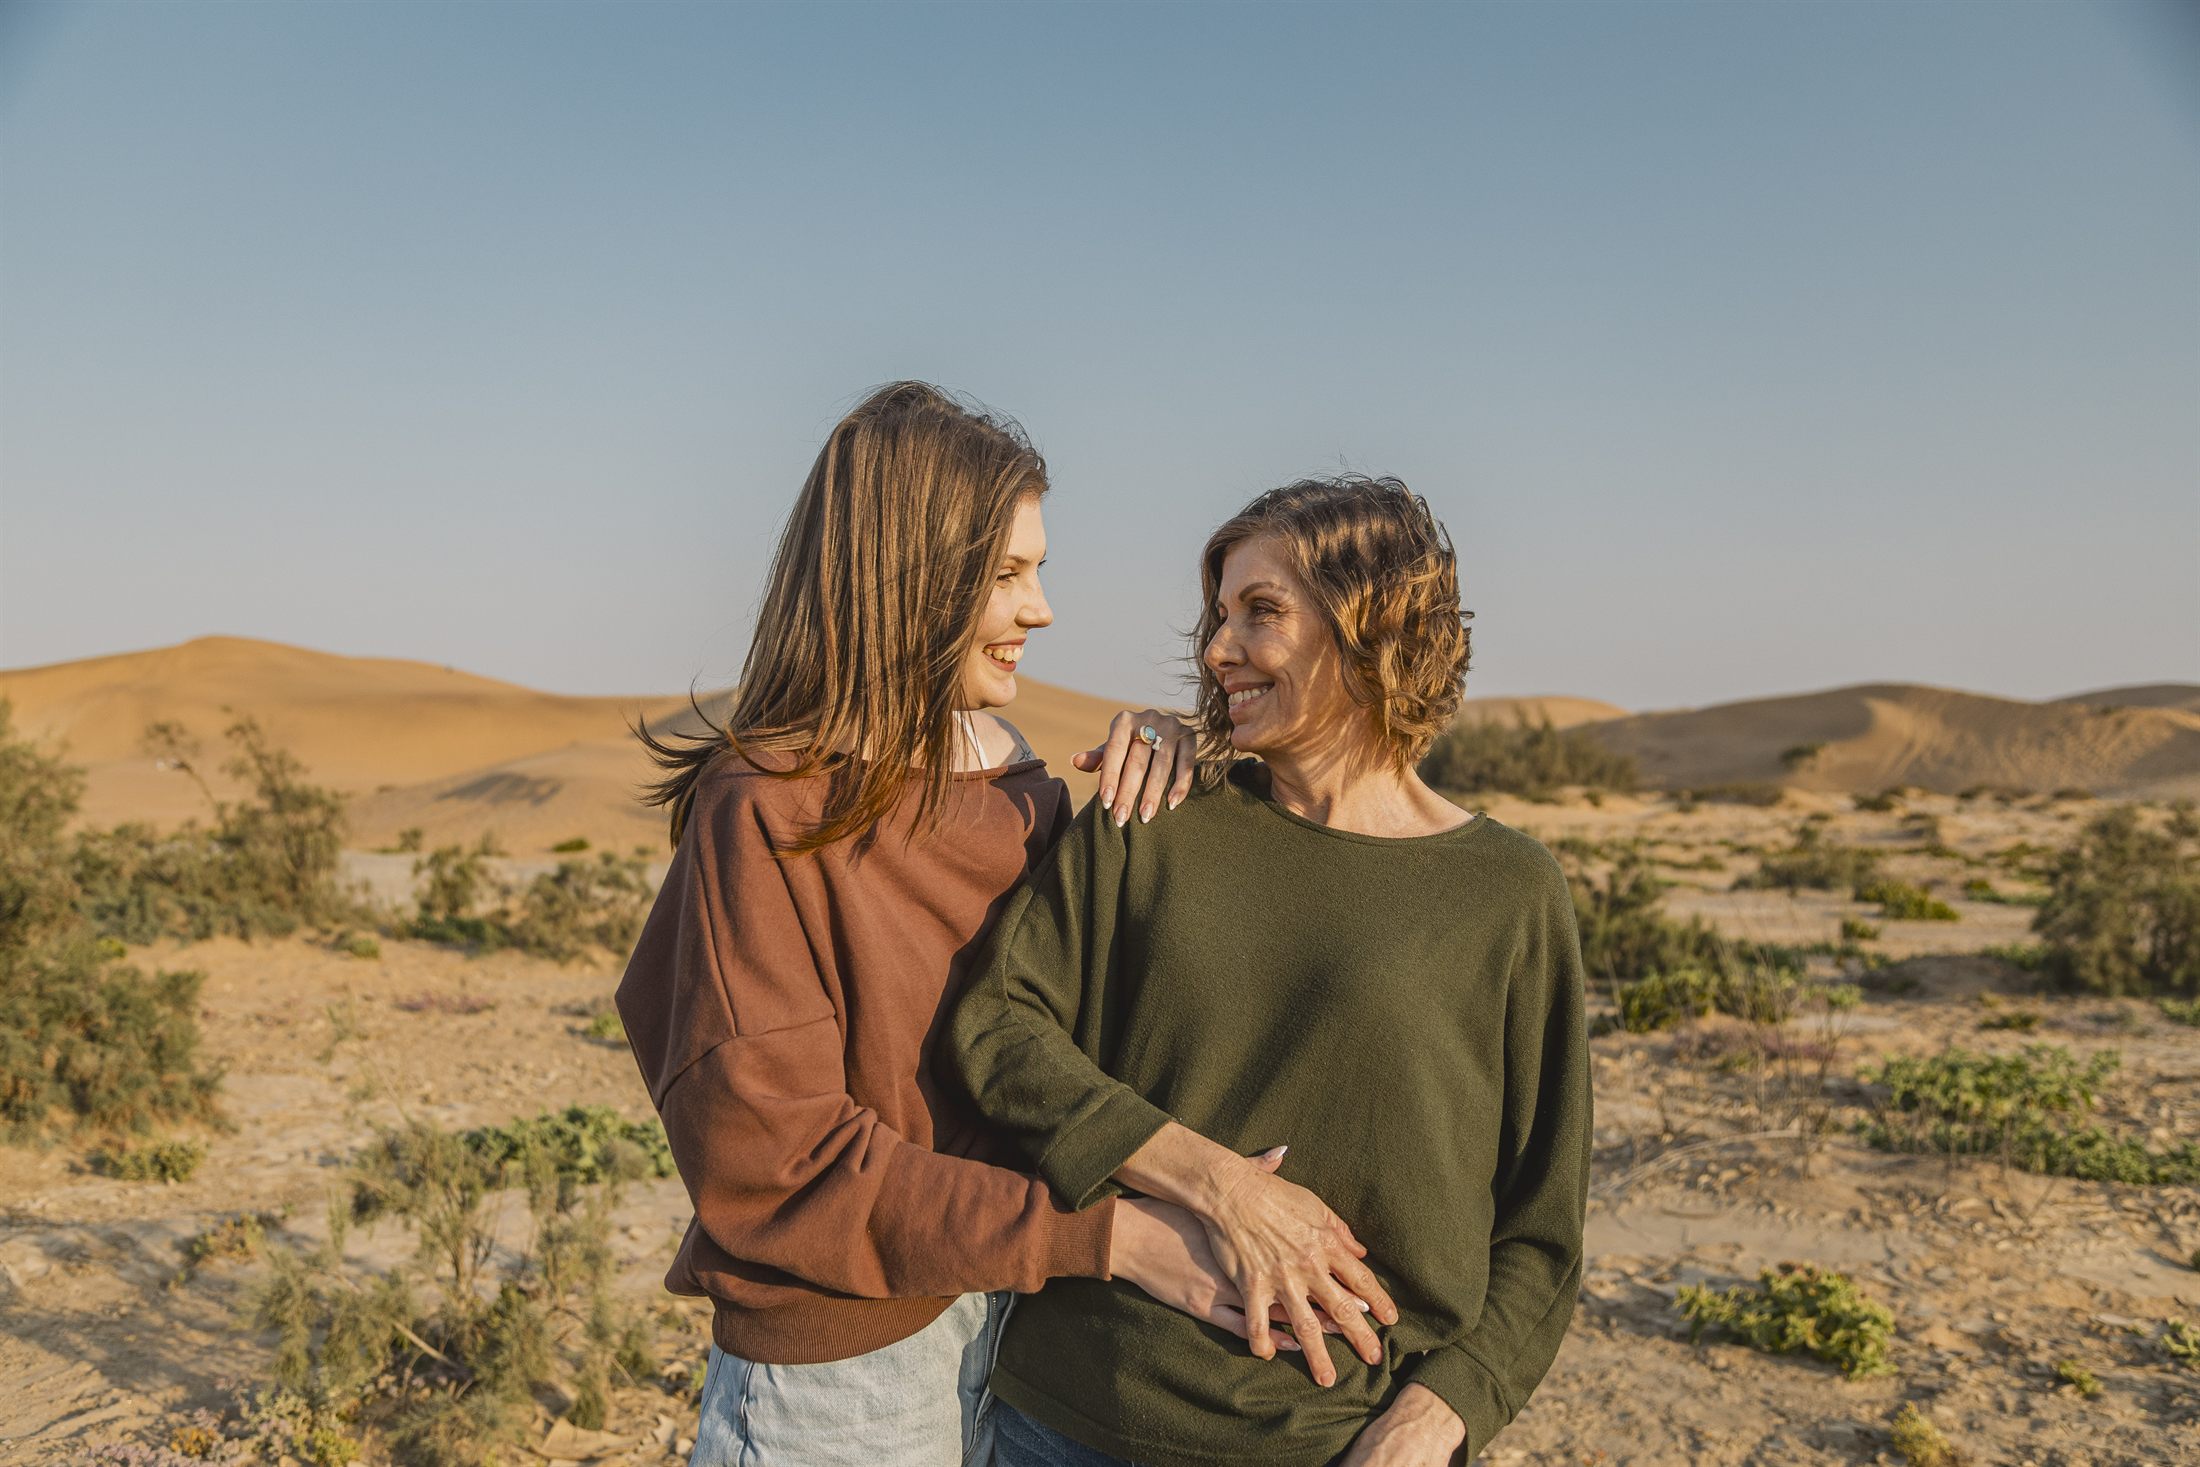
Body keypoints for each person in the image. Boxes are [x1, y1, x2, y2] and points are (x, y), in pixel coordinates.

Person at [613, 384, 1357, 1467]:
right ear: (903, 581)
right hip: (845, 1372)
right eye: (1006, 576)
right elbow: (779, 1165)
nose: (1041, 608)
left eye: (1036, 570)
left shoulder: (1020, 791)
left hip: (1022, 1335)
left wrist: (1185, 769)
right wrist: (1115, 1239)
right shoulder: (767, 808)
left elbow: (1073, 1045)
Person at [949, 476, 1593, 1467]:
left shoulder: (1506, 894)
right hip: (1078, 1416)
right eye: (1217, 616)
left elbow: (1540, 1229)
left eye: (1261, 613)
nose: (1216, 650)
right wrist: (1218, 1186)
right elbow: (999, 1029)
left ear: (1372, 626)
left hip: (1339, 1439)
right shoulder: (1153, 813)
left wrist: (1442, 1412)